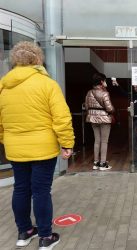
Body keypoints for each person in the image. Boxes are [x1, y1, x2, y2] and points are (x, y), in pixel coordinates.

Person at [0, 41, 75, 249]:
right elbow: (61, 118)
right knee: (41, 191)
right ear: (37, 59)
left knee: (21, 189)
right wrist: (67, 143)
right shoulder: (47, 84)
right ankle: (45, 236)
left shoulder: (4, 86)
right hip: (43, 148)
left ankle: (24, 232)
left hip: (15, 148)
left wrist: (6, 139)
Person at [111, 80, 137, 167]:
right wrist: (118, 85)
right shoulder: (136, 96)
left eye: (136, 85)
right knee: (135, 142)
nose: (134, 86)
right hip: (136, 122)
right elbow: (125, 94)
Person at [85, 72, 115, 170]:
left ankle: (96, 162)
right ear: (102, 82)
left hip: (92, 118)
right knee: (104, 141)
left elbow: (86, 106)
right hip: (104, 119)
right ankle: (103, 164)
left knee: (97, 140)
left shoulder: (89, 92)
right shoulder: (105, 93)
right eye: (105, 81)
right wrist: (113, 110)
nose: (106, 82)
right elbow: (109, 108)